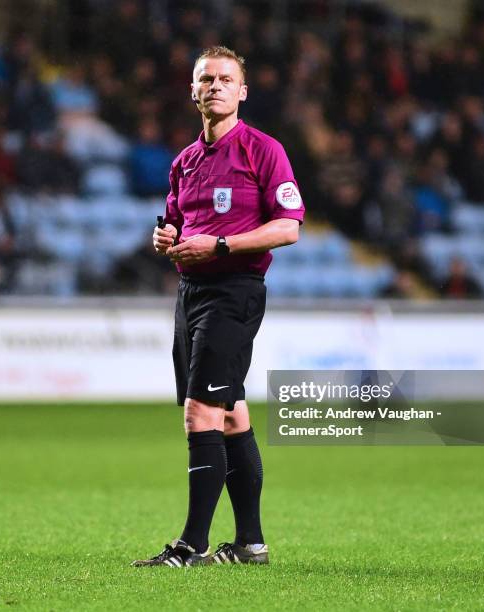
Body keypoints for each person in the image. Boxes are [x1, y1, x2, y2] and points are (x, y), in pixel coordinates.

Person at [131, 46, 304, 568]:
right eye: (206, 78)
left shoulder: (263, 150)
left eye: (226, 79)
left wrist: (221, 246)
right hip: (192, 295)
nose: (215, 86)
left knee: (200, 413)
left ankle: (192, 545)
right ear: (192, 91)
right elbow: (176, 226)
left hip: (234, 290)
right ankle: (250, 544)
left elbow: (288, 227)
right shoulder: (184, 163)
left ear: (242, 91)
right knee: (229, 416)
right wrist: (167, 238)